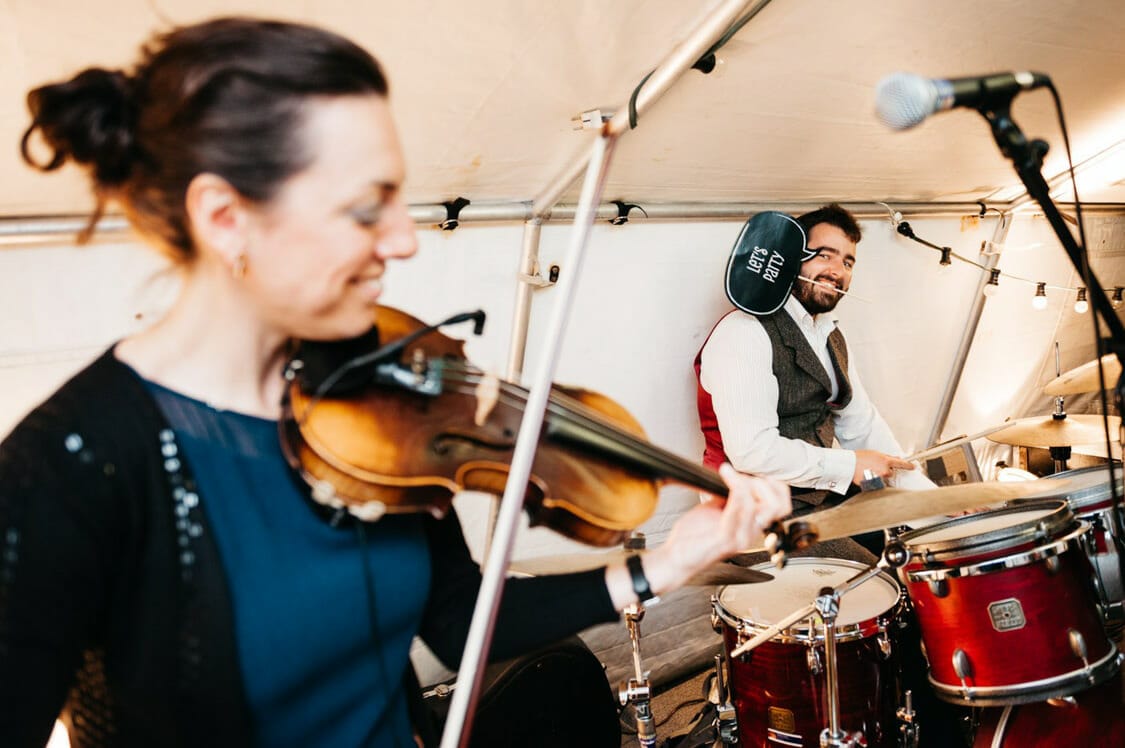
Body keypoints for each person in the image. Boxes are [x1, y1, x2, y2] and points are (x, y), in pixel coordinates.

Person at [0, 17, 792, 748]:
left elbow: (457, 619)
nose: (405, 239)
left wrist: (671, 561)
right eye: (365, 207)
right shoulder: (70, 466)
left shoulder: (382, 400)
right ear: (225, 217)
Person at [695, 203, 934, 561]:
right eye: (824, 255)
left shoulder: (830, 337)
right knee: (872, 581)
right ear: (791, 259)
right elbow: (752, 451)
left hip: (818, 497)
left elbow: (864, 428)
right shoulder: (743, 333)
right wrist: (849, 465)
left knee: (912, 551)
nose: (837, 271)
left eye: (848, 262)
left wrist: (934, 504)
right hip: (754, 514)